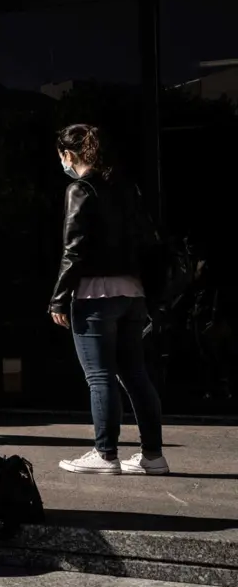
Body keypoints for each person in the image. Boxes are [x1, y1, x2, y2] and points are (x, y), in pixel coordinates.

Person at [50, 124, 168, 476]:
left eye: (61, 156)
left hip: (94, 295)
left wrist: (58, 299)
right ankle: (153, 456)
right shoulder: (125, 187)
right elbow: (149, 241)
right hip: (132, 293)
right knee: (135, 374)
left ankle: (105, 454)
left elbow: (74, 250)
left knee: (99, 376)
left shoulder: (80, 189)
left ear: (68, 154)